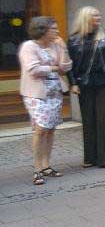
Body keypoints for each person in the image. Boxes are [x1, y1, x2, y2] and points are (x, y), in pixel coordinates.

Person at [67, 7, 105, 170]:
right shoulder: (74, 39)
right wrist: (73, 83)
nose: (99, 17)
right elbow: (69, 64)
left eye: (99, 14)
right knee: (88, 120)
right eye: (94, 15)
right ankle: (90, 157)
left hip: (104, 81)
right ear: (85, 18)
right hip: (84, 84)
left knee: (104, 119)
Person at [18, 16, 71, 185]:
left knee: (50, 130)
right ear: (42, 30)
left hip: (54, 93)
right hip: (36, 94)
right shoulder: (29, 47)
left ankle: (47, 166)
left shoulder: (55, 45)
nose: (57, 31)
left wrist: (63, 48)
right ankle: (37, 169)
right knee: (40, 129)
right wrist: (55, 68)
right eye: (53, 29)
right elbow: (34, 69)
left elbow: (66, 67)